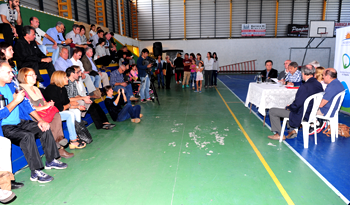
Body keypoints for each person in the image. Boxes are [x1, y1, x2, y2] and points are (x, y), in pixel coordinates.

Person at [0, 61, 67, 183]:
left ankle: (50, 160)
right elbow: (1, 114)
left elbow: (26, 105)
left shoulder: (11, 86)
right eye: (9, 72)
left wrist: (40, 120)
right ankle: (35, 172)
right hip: (6, 127)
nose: (12, 75)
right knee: (27, 136)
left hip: (20, 122)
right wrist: (15, 101)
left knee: (44, 127)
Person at [17, 68, 74, 157]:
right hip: (32, 116)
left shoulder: (36, 88)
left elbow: (43, 102)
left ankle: (59, 141)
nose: (34, 77)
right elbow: (28, 108)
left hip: (42, 112)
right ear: (23, 77)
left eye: (34, 75)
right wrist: (45, 107)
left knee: (56, 114)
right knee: (49, 121)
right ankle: (56, 148)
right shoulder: (22, 90)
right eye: (31, 75)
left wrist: (49, 104)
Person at [267, 65, 323, 140]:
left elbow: (297, 104)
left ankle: (279, 134)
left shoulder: (305, 86)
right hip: (312, 113)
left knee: (273, 111)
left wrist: (288, 107)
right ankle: (292, 130)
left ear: (303, 73)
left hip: (302, 115)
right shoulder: (318, 84)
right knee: (290, 107)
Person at [43, 70, 88, 149]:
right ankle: (73, 140)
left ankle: (77, 134)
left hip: (59, 111)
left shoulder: (63, 89)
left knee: (76, 111)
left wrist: (77, 107)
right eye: (65, 77)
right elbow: (60, 108)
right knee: (70, 114)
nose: (67, 78)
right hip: (52, 114)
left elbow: (66, 104)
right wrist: (70, 105)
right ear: (58, 79)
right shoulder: (51, 89)